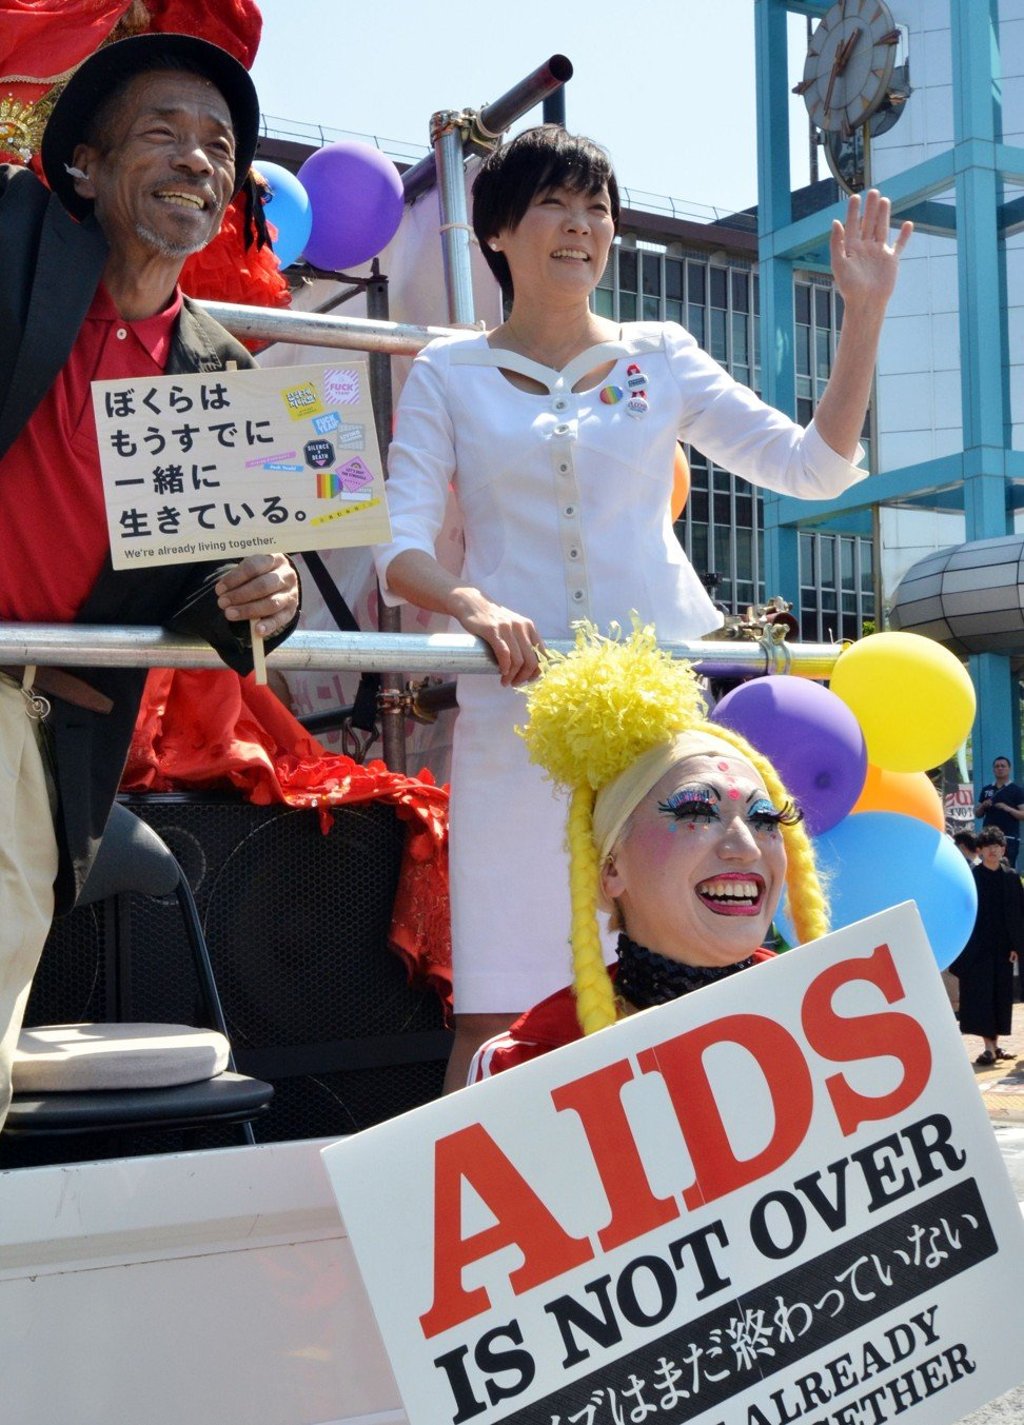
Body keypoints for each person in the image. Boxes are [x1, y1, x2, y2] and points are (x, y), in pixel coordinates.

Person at [373, 125, 911, 1089]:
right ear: (499, 230)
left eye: (598, 210)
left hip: (664, 723)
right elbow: (397, 546)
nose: (581, 229)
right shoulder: (449, 373)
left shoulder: (660, 353)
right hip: (519, 714)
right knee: (498, 1006)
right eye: (555, 207)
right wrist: (472, 604)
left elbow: (814, 466)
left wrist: (863, 313)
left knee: (688, 982)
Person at [0, 33, 301, 1128]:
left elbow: (229, 593)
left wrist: (267, 597)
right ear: (81, 166)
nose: (196, 160)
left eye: (218, 147)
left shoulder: (223, 372)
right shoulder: (17, 241)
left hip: (36, 722)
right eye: (163, 133)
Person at [468, 621, 828, 1078]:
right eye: (697, 811)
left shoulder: (855, 1011)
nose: (744, 846)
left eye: (764, 819)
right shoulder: (526, 1062)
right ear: (610, 869)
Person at [952, 827, 1023, 1066]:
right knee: (981, 995)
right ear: (980, 850)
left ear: (1003, 849)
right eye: (988, 846)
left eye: (998, 846)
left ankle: (995, 1045)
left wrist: (1016, 945)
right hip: (978, 947)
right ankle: (989, 1048)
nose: (994, 850)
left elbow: (1018, 914)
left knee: (1001, 996)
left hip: (1004, 947)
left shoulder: (1011, 876)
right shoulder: (971, 877)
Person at [974, 756, 1024, 868]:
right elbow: (977, 814)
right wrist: (983, 806)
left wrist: (1008, 808)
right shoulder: (986, 790)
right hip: (988, 838)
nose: (1000, 768)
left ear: (1009, 769)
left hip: (1009, 838)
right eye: (997, 766)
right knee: (988, 867)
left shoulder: (1017, 790)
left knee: (1007, 869)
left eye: (1003, 766)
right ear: (993, 769)